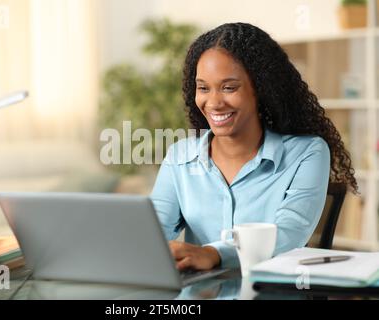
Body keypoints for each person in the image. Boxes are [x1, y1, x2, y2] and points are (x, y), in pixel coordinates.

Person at [150, 22, 357, 272]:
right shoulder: (180, 156)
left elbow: (289, 234)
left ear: (260, 89)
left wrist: (213, 253)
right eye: (203, 88)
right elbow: (153, 234)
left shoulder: (308, 153)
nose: (213, 102)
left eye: (229, 87)